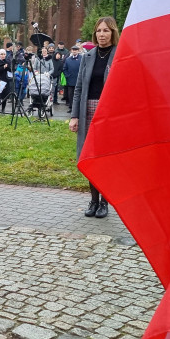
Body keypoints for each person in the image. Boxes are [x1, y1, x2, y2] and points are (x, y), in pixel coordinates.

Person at [70, 16, 119, 218]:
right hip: (88, 110)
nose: (102, 35)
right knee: (90, 157)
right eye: (99, 31)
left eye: (106, 31)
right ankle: (93, 200)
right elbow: (79, 88)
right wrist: (75, 116)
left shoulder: (119, 55)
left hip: (109, 113)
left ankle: (105, 202)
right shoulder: (88, 56)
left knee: (105, 159)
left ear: (113, 33)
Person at [62, 45, 82, 111]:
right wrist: (67, 76)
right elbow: (64, 69)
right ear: (71, 51)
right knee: (70, 94)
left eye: (76, 50)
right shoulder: (68, 59)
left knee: (78, 95)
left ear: (78, 51)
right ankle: (71, 107)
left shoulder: (81, 58)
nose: (74, 51)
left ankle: (78, 108)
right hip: (70, 80)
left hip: (79, 80)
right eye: (73, 50)